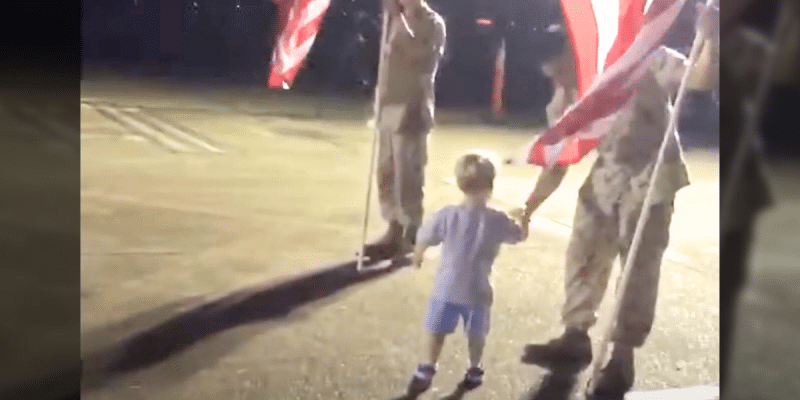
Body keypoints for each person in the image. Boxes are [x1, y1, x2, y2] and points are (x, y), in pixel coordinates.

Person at [518, 4, 720, 397]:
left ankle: (622, 357)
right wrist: (530, 206)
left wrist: (710, 35)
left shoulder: (646, 59)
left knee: (638, 271)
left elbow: (700, 78)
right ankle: (575, 338)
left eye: (558, 67)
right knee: (583, 255)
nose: (557, 78)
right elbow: (559, 161)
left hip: (650, 177)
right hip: (606, 179)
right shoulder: (567, 98)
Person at [406, 152, 527, 393]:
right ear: (491, 185)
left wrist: (418, 255)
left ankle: (427, 366)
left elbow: (425, 237)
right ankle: (474, 367)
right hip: (478, 290)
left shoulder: (447, 215)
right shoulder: (497, 219)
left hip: (447, 287)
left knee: (436, 330)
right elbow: (518, 236)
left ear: (460, 184)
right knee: (476, 334)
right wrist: (522, 217)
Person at [359, 0, 446, 261]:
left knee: (408, 175)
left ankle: (410, 234)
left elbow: (419, 57)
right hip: (388, 104)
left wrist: (400, 19)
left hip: (411, 106)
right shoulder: (393, 18)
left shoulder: (432, 22)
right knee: (386, 172)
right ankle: (393, 230)